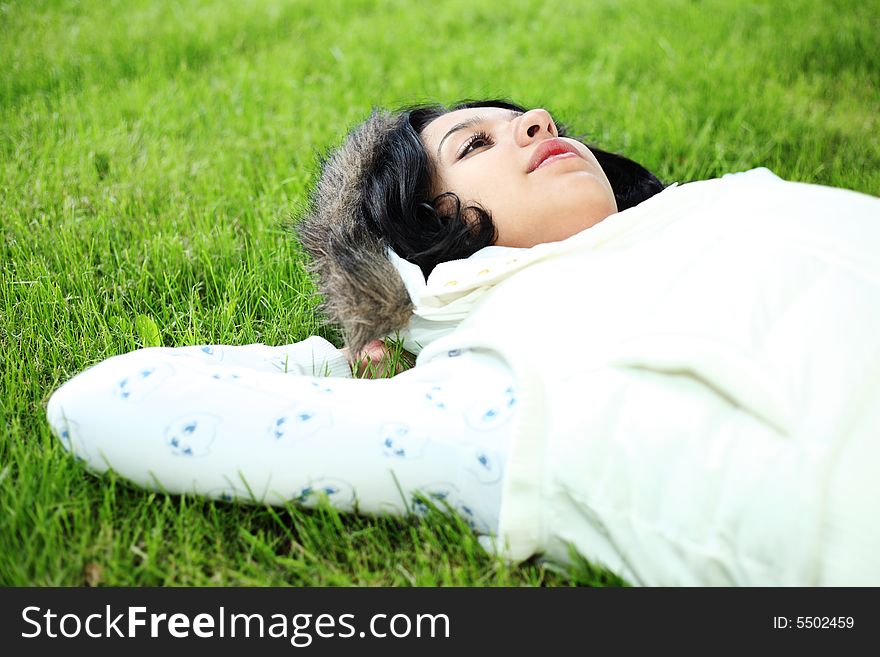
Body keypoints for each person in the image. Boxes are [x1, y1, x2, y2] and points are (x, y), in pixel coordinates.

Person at [46, 99, 880, 586]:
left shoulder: (720, 205)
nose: (537, 122)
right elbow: (103, 403)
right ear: (420, 235)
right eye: (474, 144)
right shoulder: (499, 384)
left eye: (520, 118)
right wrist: (341, 353)